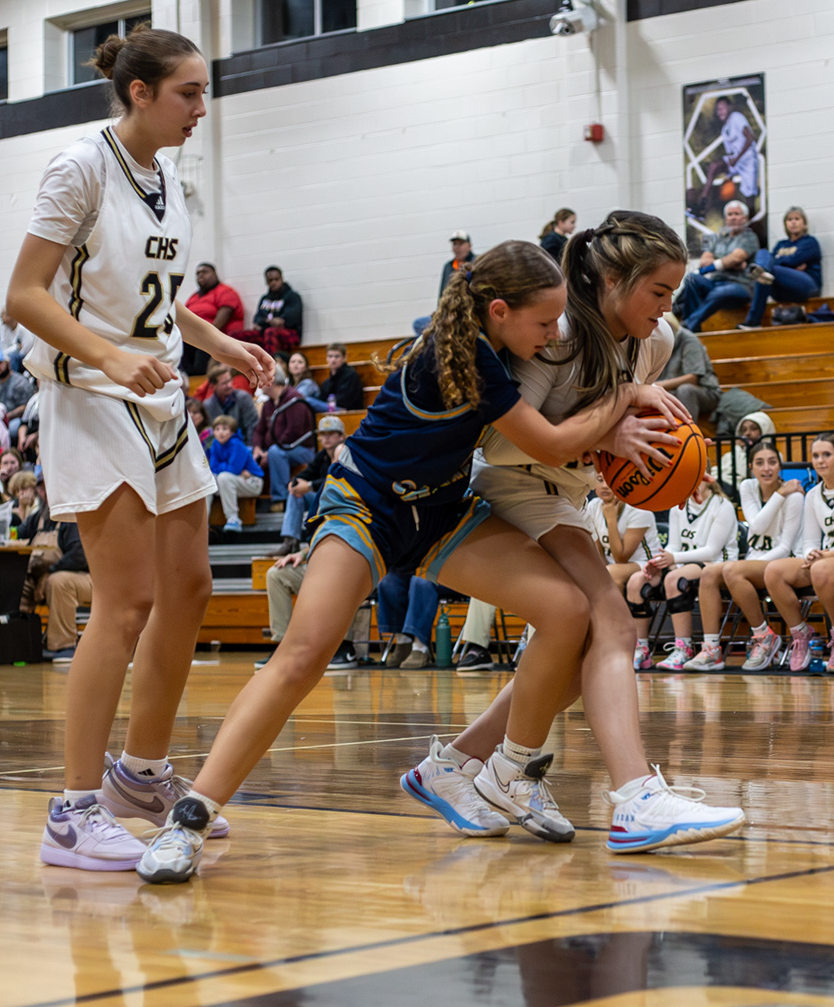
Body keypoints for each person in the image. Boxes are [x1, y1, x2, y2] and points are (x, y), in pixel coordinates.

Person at [164, 234, 739, 882]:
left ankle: (504, 770)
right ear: (500, 311)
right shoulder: (461, 354)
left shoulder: (502, 343)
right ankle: (191, 814)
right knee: (302, 656)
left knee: (567, 610)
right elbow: (550, 444)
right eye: (545, 322)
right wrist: (623, 396)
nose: (555, 333)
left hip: (439, 509)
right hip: (367, 505)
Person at [3, 25, 276, 873]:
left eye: (204, 92)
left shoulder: (166, 179)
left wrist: (216, 342)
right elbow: (24, 296)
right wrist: (109, 355)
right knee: (125, 603)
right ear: (139, 92)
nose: (202, 108)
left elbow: (152, 302)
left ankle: (141, 776)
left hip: (158, 397)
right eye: (189, 93)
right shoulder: (80, 167)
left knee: (188, 590)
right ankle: (72, 812)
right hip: (90, 397)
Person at [760, 433, 834, 672]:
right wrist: (811, 553)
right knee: (773, 571)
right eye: (816, 456)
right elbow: (810, 541)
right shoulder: (813, 494)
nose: (820, 460)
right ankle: (801, 634)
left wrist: (828, 555)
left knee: (822, 569)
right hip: (828, 560)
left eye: (826, 455)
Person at [686, 443, 802, 672]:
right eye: (760, 463)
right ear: (751, 467)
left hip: (783, 561)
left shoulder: (794, 495)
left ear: (780, 466)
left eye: (772, 462)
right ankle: (711, 649)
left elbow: (785, 547)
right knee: (708, 573)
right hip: (753, 562)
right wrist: (779, 494)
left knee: (732, 570)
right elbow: (756, 525)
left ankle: (763, 636)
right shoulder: (748, 486)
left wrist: (781, 494)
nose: (766, 468)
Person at [629, 475, 734, 671]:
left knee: (674, 579)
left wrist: (674, 559)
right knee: (637, 580)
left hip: (716, 563)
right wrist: (659, 561)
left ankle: (684, 649)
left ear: (709, 478)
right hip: (684, 562)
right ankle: (641, 649)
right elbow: (674, 546)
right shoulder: (678, 506)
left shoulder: (722, 506)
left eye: (697, 476)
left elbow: (711, 551)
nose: (692, 482)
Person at [673, 200, 759, 331]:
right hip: (715, 282)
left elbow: (736, 257)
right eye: (730, 214)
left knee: (720, 292)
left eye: (737, 214)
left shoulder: (749, 237)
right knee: (691, 279)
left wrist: (720, 261)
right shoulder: (718, 239)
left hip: (740, 286)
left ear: (745, 218)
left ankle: (688, 325)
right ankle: (692, 326)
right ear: (726, 219)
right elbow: (704, 261)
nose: (733, 217)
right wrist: (727, 262)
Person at [739, 205, 821, 329]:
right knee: (763, 255)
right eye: (789, 219)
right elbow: (788, 262)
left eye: (797, 219)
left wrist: (777, 262)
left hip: (807, 287)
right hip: (782, 290)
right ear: (785, 224)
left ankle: (753, 320)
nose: (793, 222)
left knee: (770, 270)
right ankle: (761, 270)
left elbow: (793, 260)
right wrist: (785, 265)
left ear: (804, 224)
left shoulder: (810, 242)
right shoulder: (780, 244)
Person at [277, 414, 344, 554]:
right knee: (296, 494)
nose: (326, 438)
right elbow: (308, 472)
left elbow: (336, 480)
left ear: (341, 436)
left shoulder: (346, 454)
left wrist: (309, 486)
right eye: (323, 434)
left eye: (331, 433)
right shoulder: (322, 455)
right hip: (324, 499)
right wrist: (294, 482)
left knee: (304, 491)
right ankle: (290, 541)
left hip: (342, 501)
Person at [251, 373, 316, 502]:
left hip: (302, 448)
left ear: (271, 382)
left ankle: (280, 498)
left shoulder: (294, 400)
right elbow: (259, 430)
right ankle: (254, 499)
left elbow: (294, 432)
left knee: (275, 452)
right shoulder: (268, 404)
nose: (259, 386)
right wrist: (257, 448)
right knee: (248, 452)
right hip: (275, 448)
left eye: (261, 381)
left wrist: (269, 452)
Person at [587, 476, 659, 592]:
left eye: (610, 481)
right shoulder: (593, 506)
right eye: (600, 480)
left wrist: (611, 519)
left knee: (609, 574)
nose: (605, 486)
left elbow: (621, 558)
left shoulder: (639, 510)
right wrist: (601, 566)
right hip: (611, 563)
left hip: (645, 563)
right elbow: (596, 547)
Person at [183, 263, 249, 373]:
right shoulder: (193, 297)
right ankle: (187, 376)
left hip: (217, 336)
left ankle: (201, 376)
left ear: (215, 274)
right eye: (198, 273)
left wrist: (203, 334)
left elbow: (222, 318)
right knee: (180, 344)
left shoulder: (225, 291)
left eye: (205, 272)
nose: (200, 275)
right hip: (197, 336)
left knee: (204, 344)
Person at [40, 520, 92, 660]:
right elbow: (19, 532)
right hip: (57, 573)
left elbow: (78, 556)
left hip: (97, 578)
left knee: (59, 582)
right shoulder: (40, 517)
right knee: (24, 582)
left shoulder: (72, 519)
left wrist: (49, 571)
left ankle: (65, 645)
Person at [205, 418, 263, 533]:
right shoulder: (215, 444)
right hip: (236, 479)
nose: (221, 432)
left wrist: (223, 467)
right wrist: (226, 466)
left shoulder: (237, 445)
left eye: (224, 429)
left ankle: (233, 519)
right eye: (217, 429)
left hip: (253, 481)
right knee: (208, 480)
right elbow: (213, 467)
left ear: (232, 432)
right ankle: (203, 522)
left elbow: (234, 469)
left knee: (224, 477)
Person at [656, 323, 720, 426]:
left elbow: (692, 378)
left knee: (685, 390)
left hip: (705, 391)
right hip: (672, 392)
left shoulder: (689, 339)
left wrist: (657, 386)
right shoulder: (651, 342)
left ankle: (689, 431)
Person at [251, 265, 304, 354]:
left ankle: (270, 362)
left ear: (282, 279)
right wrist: (270, 321)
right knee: (236, 335)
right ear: (266, 282)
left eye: (276, 279)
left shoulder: (292, 296)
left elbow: (291, 319)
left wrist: (267, 322)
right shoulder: (264, 298)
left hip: (290, 334)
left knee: (270, 332)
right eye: (270, 280)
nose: (273, 283)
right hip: (266, 332)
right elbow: (257, 319)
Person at [714, 95, 760, 199]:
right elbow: (730, 152)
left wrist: (736, 159)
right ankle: (703, 200)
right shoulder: (724, 129)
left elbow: (750, 138)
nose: (720, 112)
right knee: (714, 167)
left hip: (747, 160)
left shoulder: (736, 117)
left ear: (729, 107)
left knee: (749, 197)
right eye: (718, 109)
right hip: (736, 162)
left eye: (722, 108)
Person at [201, 360, 259, 438]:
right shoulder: (208, 405)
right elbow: (209, 432)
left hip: (242, 442)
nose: (229, 385)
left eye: (230, 381)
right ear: (213, 386)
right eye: (224, 383)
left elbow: (252, 426)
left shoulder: (244, 398)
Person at [314, 342, 366, 412]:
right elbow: (322, 399)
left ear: (344, 357)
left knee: (308, 401)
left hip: (348, 412)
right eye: (330, 356)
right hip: (331, 411)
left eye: (337, 356)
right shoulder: (326, 382)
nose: (333, 360)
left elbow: (345, 401)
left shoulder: (351, 375)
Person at [438, 233, 475, 299]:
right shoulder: (448, 266)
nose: (457, 247)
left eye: (460, 243)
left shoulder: (476, 263)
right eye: (455, 244)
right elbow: (442, 292)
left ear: (469, 246)